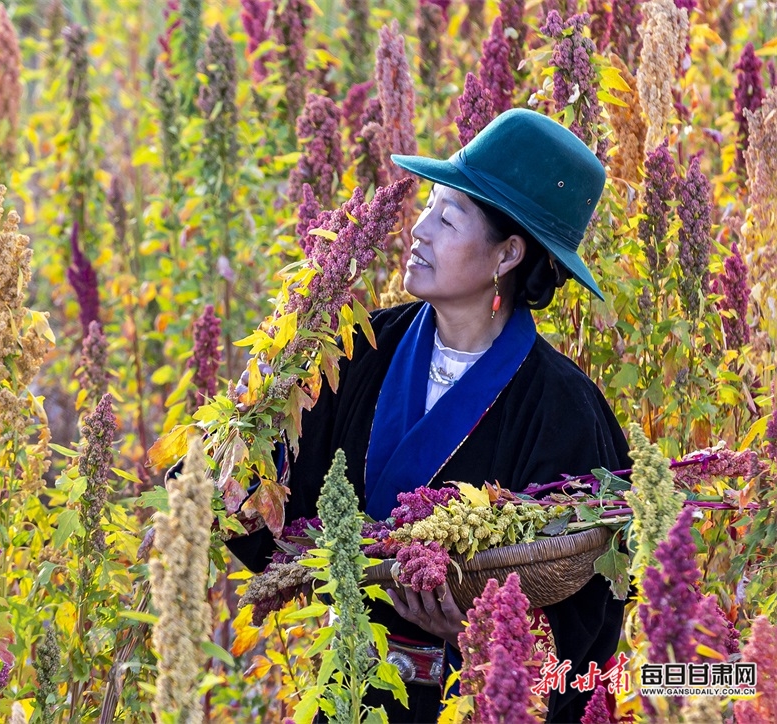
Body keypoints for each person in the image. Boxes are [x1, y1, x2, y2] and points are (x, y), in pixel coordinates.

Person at [226, 108, 631, 723]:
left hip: (472, 706)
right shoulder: (357, 351)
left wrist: (482, 630)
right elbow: (278, 507)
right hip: (347, 693)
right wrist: (233, 457)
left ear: (508, 253)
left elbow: (587, 613)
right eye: (427, 207)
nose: (418, 229)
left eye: (447, 216)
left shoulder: (563, 409)